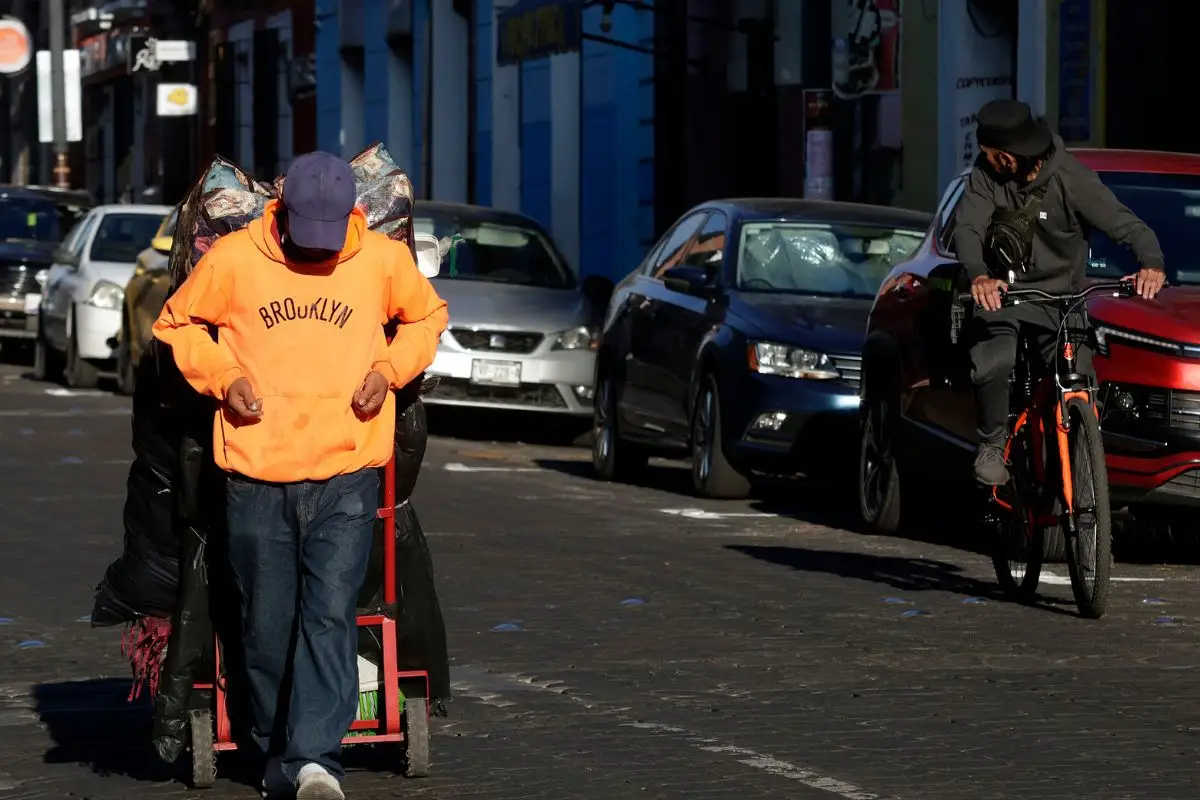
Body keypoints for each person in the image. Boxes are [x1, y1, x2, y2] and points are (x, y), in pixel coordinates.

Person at [153, 151, 449, 800]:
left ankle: (316, 761)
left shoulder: (379, 260)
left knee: (329, 617)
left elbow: (428, 318)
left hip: (346, 476)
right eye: (303, 232)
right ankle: (274, 749)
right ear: (280, 211)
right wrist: (225, 378)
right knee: (264, 626)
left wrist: (389, 371)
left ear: (352, 214)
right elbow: (176, 325)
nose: (315, 249)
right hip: (257, 482)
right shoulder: (233, 262)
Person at [953, 99, 1167, 486]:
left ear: (1005, 156)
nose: (983, 159)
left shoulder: (1070, 177)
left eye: (987, 153)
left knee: (1080, 380)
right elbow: (967, 228)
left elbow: (1128, 226)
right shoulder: (985, 177)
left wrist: (1151, 263)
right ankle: (992, 442)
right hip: (1005, 295)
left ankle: (1083, 468)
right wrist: (979, 275)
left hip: (1060, 303)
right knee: (995, 358)